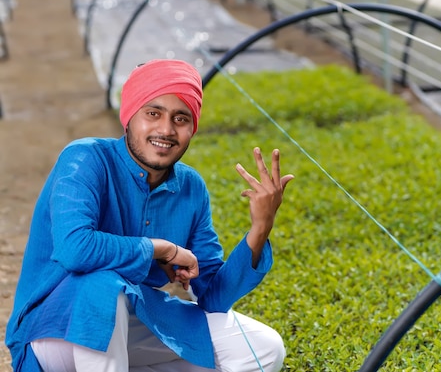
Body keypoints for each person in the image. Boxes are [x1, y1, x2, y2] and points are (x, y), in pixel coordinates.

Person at [5, 58, 295, 372]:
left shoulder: (190, 188)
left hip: (133, 322)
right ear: (130, 115)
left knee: (265, 349)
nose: (166, 130)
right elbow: (76, 249)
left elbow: (211, 297)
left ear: (192, 129)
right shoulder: (85, 158)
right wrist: (160, 248)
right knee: (103, 285)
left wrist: (261, 227)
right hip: (56, 328)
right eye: (153, 113)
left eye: (181, 118)